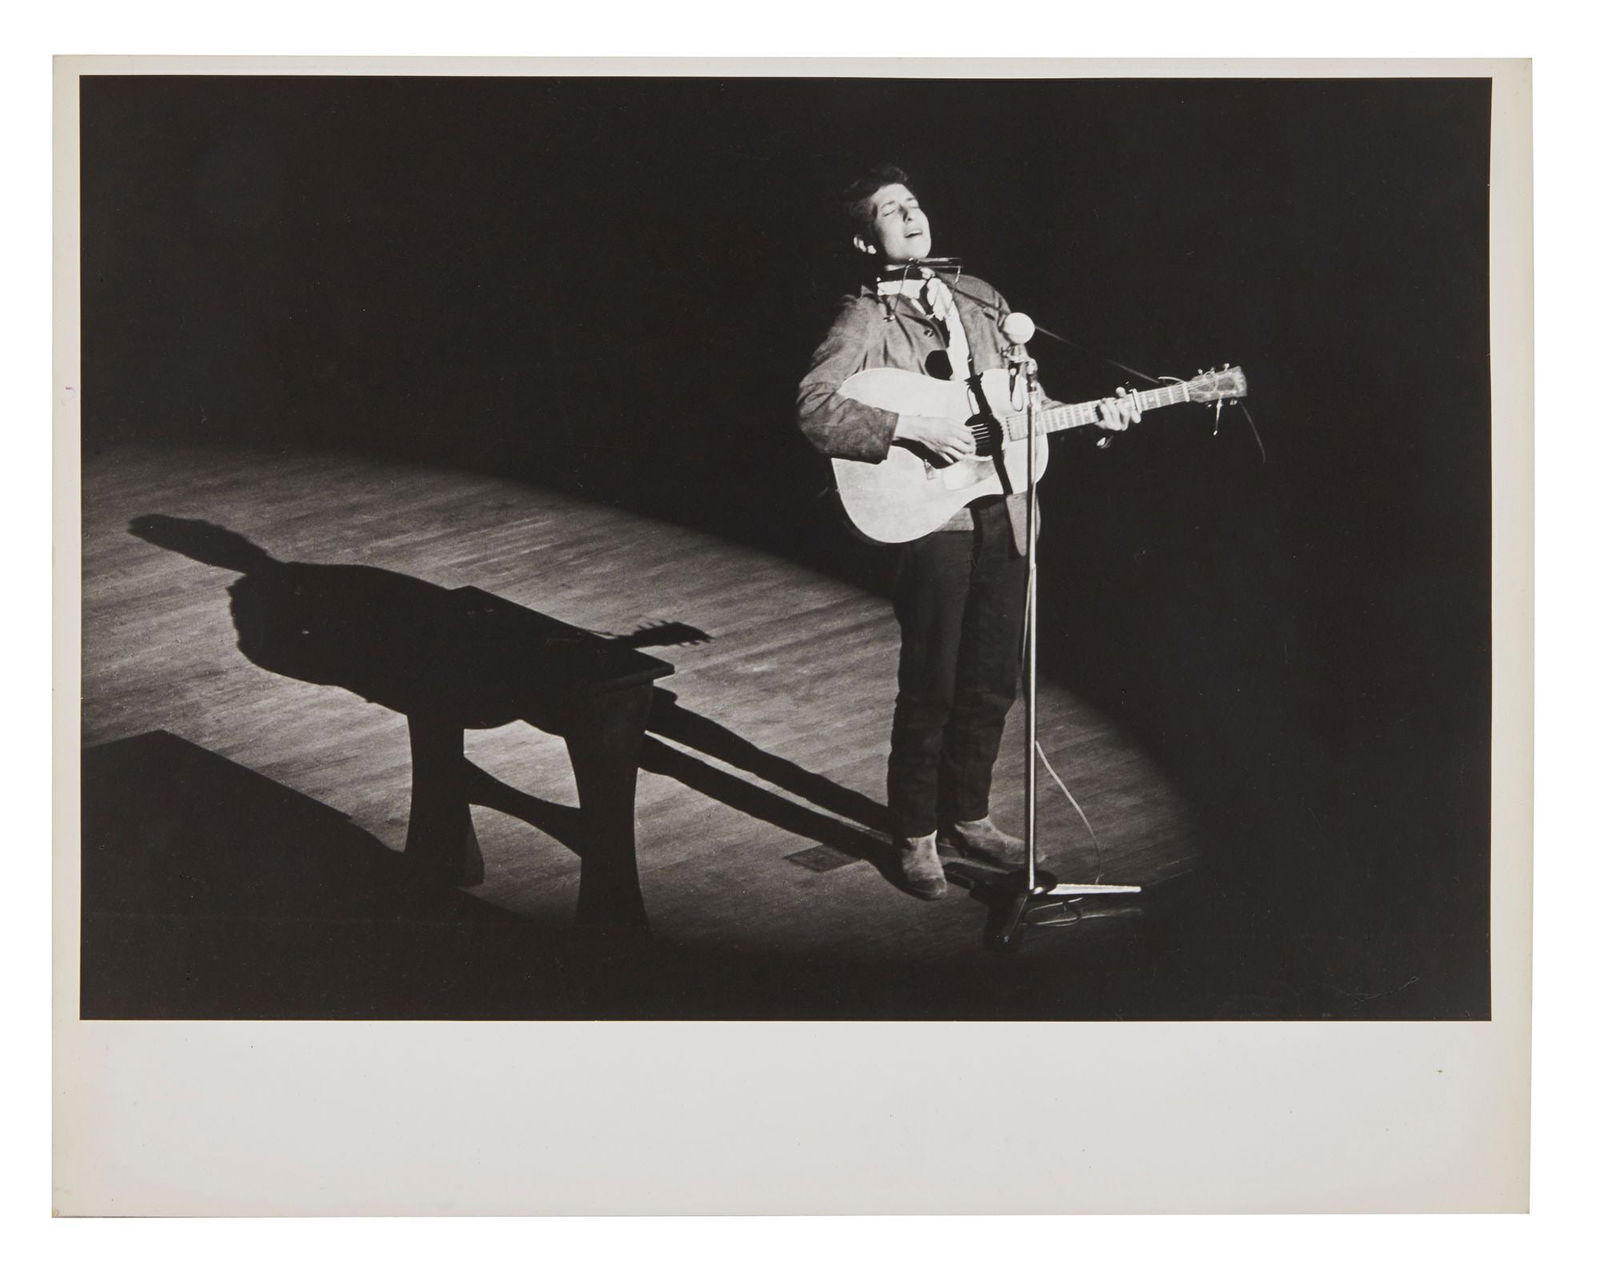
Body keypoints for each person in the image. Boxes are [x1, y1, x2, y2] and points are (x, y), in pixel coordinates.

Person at [796, 163, 1137, 899]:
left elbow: (1027, 404)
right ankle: (916, 832)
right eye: (889, 210)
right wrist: (909, 427)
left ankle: (969, 815)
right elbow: (816, 408)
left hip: (1006, 503)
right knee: (934, 682)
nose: (910, 216)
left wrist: (1098, 420)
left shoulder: (981, 297)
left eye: (913, 202)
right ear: (865, 242)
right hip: (934, 514)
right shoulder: (865, 315)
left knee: (993, 677)